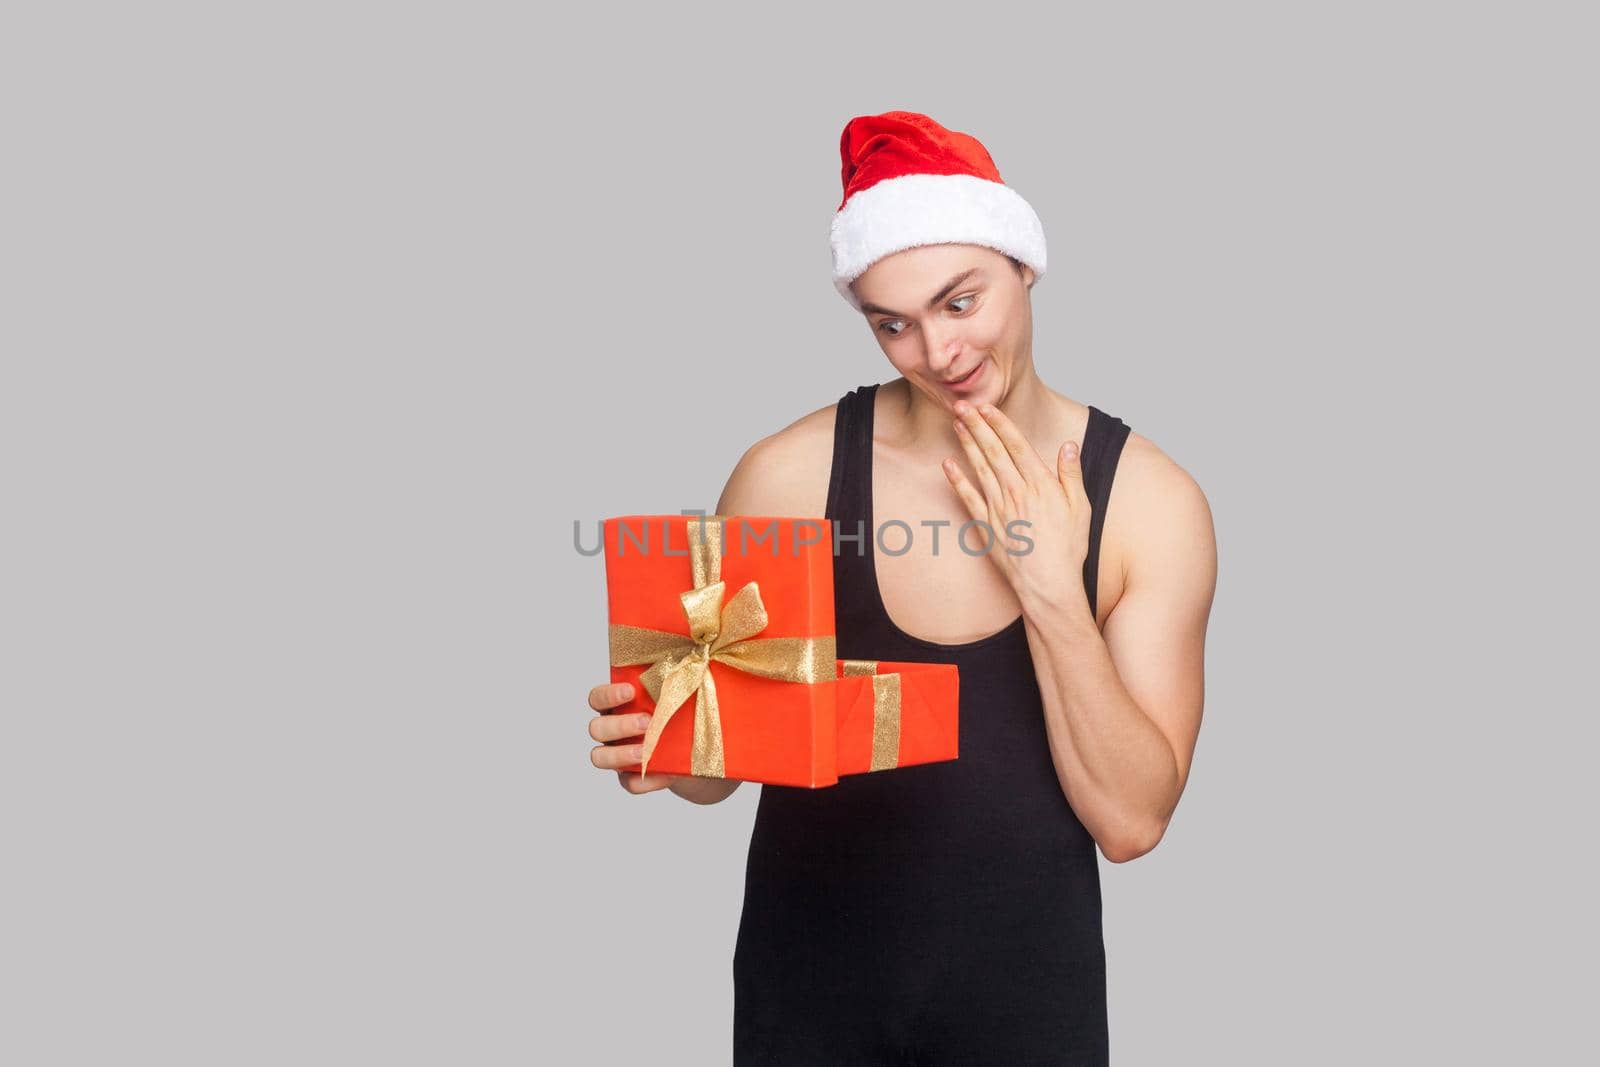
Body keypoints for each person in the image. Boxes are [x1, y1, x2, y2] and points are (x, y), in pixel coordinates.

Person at [585, 111, 1215, 1065]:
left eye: (961, 302)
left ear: (1024, 266)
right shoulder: (788, 479)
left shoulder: (1149, 507)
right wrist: (673, 750)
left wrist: (1050, 585)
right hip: (808, 1011)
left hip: (1029, 1024)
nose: (938, 353)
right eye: (894, 323)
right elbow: (721, 766)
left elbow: (1131, 822)